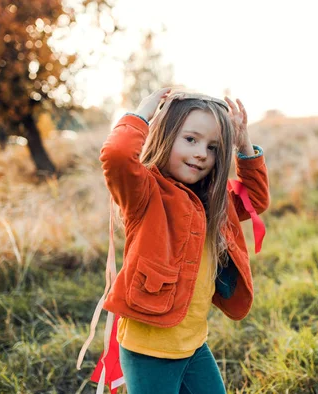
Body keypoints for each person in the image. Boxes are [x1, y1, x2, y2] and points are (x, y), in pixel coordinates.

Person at [98, 87, 270, 393]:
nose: (202, 153)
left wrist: (242, 141)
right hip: (149, 350)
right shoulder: (146, 193)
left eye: (214, 147)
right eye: (190, 139)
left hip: (193, 345)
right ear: (165, 135)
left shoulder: (214, 200)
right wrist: (142, 112)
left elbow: (255, 198)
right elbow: (117, 156)